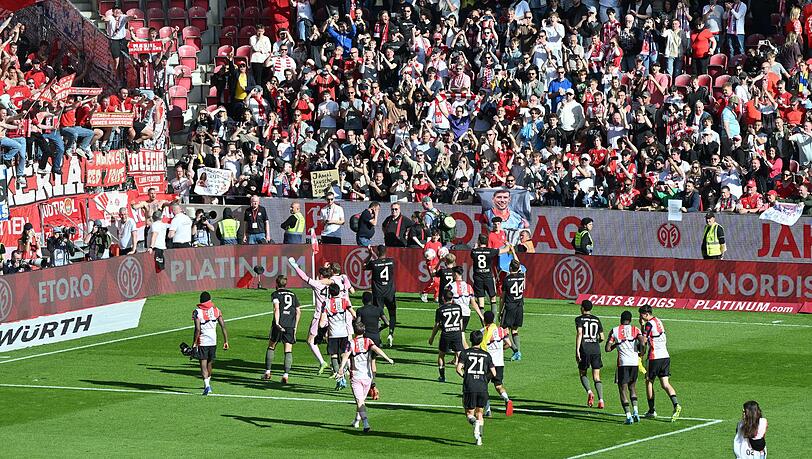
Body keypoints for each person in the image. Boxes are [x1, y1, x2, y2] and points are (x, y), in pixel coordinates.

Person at [337, 319, 394, 432]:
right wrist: (388, 359)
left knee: (360, 401)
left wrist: (340, 368)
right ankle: (356, 421)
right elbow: (377, 349)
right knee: (361, 400)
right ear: (364, 331)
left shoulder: (351, 343)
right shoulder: (368, 341)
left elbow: (345, 356)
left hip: (356, 377)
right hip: (368, 376)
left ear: (354, 331)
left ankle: (366, 423)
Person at [287, 257, 333, 374]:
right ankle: (341, 366)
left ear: (321, 276)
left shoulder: (317, 284)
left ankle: (322, 362)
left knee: (310, 340)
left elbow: (304, 277)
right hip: (332, 315)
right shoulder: (334, 283)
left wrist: (295, 266)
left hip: (319, 316)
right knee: (332, 340)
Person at [638, 304, 682, 421]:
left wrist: (640, 353)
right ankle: (676, 404)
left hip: (654, 357)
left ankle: (651, 410)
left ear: (646, 314)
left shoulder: (648, 324)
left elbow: (644, 340)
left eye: (641, 315)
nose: (640, 317)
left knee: (649, 382)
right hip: (665, 356)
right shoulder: (658, 321)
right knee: (665, 384)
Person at [456, 330, 497, 446]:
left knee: (469, 413)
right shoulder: (487, 355)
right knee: (480, 413)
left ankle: (474, 423)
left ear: (470, 340)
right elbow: (494, 373)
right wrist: (484, 378)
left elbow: (458, 369)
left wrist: (465, 376)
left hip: (470, 386)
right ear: (481, 340)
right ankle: (479, 439)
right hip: (482, 387)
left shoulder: (465, 353)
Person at [605, 310, 645, 424]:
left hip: (623, 363)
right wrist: (642, 352)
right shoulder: (635, 329)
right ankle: (636, 412)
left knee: (622, 390)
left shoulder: (615, 330)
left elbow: (607, 349)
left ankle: (628, 416)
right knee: (632, 387)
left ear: (620, 319)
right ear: (630, 320)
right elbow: (642, 342)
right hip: (634, 363)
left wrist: (616, 345)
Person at [263, 275, 301, 383]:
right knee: (288, 350)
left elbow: (276, 308)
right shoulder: (293, 294)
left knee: (271, 346)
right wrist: (295, 326)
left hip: (279, 324)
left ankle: (267, 372)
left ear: (276, 283)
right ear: (285, 284)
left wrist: (277, 323)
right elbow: (298, 311)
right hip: (290, 325)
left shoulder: (275, 294)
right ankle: (285, 375)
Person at [192, 291, 230, 396]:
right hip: (213, 340)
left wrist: (194, 343)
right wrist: (226, 341)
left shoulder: (197, 312)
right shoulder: (216, 310)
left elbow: (197, 329)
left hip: (203, 341)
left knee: (203, 364)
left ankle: (206, 385)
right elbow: (223, 326)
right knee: (209, 363)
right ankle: (208, 384)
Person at [320, 282, 356, 390]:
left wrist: (322, 328)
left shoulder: (326, 303)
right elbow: (353, 314)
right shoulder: (345, 301)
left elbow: (322, 322)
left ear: (330, 293)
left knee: (334, 356)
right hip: (344, 333)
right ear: (339, 291)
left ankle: (340, 379)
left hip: (333, 334)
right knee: (344, 355)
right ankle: (345, 372)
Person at [479, 311, 514, 418]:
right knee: (498, 386)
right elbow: (509, 344)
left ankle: (488, 410)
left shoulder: (483, 332)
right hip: (499, 363)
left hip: (488, 363)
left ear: (484, 320)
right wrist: (500, 349)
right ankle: (506, 399)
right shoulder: (500, 330)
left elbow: (480, 347)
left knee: (483, 386)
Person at [355, 291, 389, 400]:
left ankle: (371, 386)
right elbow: (387, 323)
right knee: (373, 361)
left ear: (362, 300)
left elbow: (357, 324)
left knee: (365, 363)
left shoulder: (360, 310)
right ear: (372, 300)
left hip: (365, 339)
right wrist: (379, 329)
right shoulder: (378, 309)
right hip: (376, 338)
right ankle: (372, 384)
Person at [428, 289, 467, 382]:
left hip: (446, 335)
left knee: (441, 355)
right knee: (460, 355)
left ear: (443, 298)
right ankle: (467, 374)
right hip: (456, 333)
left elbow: (437, 325)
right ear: (452, 298)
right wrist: (461, 332)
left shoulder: (440, 310)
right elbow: (460, 321)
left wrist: (432, 337)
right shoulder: (458, 307)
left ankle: (442, 377)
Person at [471, 234, 512, 316]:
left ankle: (484, 321)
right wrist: (507, 244)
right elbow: (506, 249)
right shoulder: (490, 251)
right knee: (493, 299)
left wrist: (475, 247)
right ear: (487, 242)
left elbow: (473, 253)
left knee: (481, 302)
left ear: (479, 241)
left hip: (478, 278)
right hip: (488, 277)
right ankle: (493, 321)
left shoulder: (474, 252)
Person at [364, 245, 397, 347]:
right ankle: (391, 334)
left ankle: (378, 339)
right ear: (385, 252)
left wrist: (370, 254)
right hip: (390, 292)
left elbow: (364, 266)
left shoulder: (374, 263)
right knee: (392, 314)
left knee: (377, 316)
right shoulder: (391, 261)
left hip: (378, 293)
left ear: (377, 252)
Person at [575, 299, 605, 409]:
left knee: (583, 373)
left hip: (585, 349)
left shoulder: (579, 319)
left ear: (582, 308)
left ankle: (589, 392)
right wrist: (595, 342)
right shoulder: (597, 319)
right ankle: (601, 400)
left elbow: (580, 333)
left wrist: (577, 350)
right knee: (597, 377)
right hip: (596, 350)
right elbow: (602, 337)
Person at [502, 259, 526, 361]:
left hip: (510, 307)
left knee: (504, 331)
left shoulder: (507, 280)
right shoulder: (522, 276)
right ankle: (518, 354)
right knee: (515, 330)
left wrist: (501, 310)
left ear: (510, 268)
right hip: (519, 306)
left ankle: (516, 351)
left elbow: (503, 297)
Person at [449, 266, 482, 330]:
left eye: (452, 273)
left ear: (455, 274)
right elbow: (474, 304)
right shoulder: (468, 286)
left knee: (454, 333)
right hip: (466, 313)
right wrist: (481, 316)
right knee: (462, 332)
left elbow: (449, 301)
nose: (452, 275)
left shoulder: (451, 286)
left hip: (456, 313)